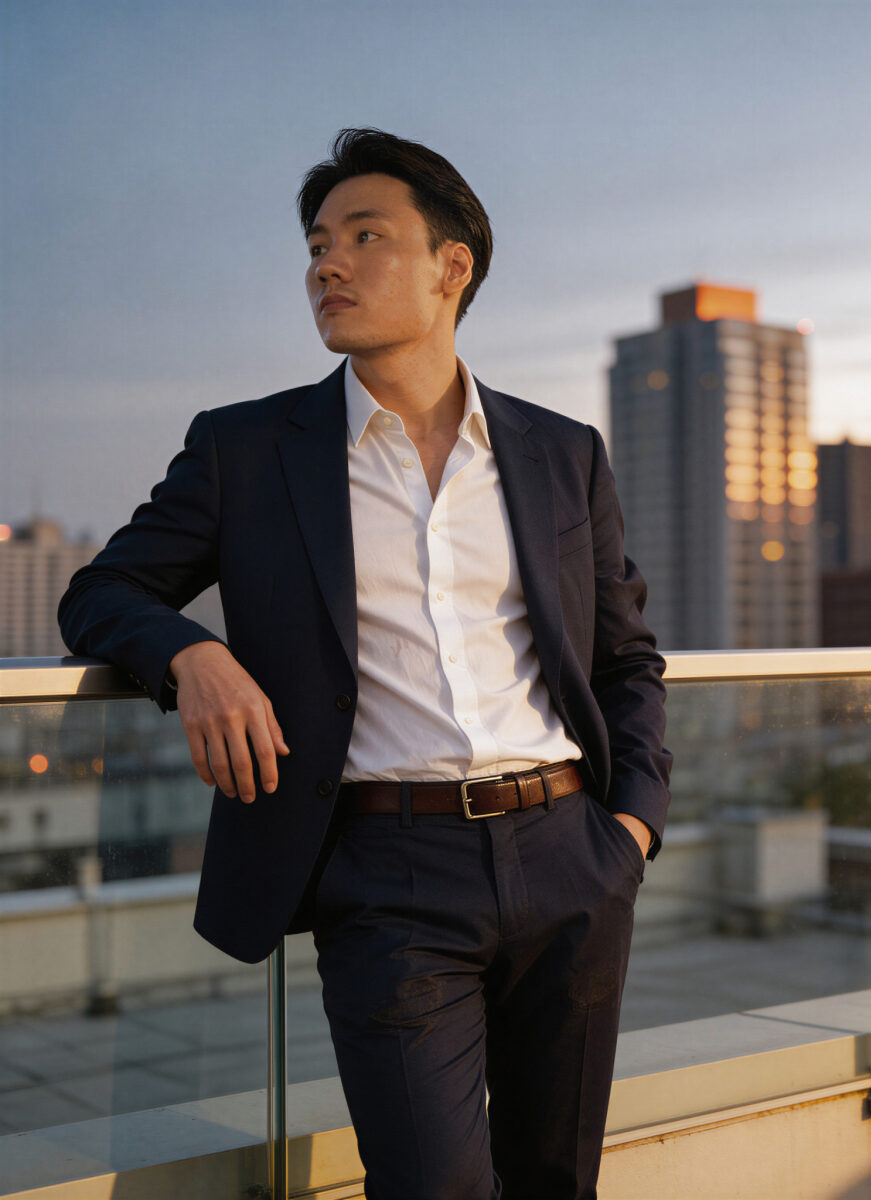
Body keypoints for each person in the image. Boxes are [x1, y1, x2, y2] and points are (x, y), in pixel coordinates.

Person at [58, 128, 671, 1200]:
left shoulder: (561, 452)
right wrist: (192, 655)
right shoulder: (247, 451)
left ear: (452, 266)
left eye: (362, 237)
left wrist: (631, 830)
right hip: (386, 878)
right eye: (315, 245)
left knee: (555, 1180)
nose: (324, 265)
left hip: (572, 855)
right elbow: (99, 593)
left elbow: (626, 656)